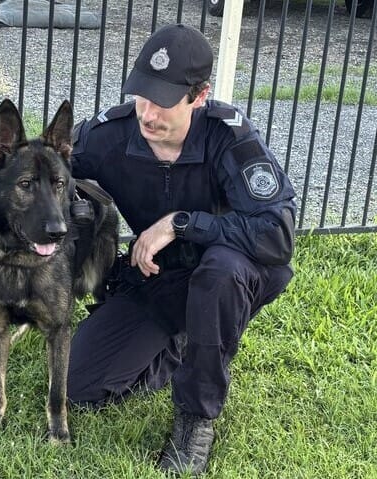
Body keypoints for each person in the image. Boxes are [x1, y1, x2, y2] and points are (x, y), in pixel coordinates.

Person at [67, 23, 296, 476]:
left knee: (220, 273)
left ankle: (195, 420)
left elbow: (277, 235)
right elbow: (42, 163)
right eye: (142, 96)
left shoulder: (230, 139)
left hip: (229, 275)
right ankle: (182, 341)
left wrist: (182, 224)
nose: (148, 114)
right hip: (157, 278)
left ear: (200, 95)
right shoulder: (112, 134)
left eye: (164, 101)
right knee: (80, 386)